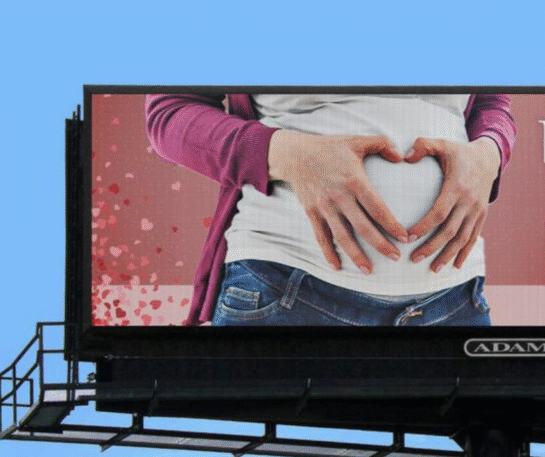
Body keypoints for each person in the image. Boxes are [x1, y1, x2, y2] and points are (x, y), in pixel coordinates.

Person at [145, 92, 516, 326]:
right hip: (286, 291)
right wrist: (287, 153)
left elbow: (491, 101)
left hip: (455, 302)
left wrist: (490, 152)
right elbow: (169, 113)